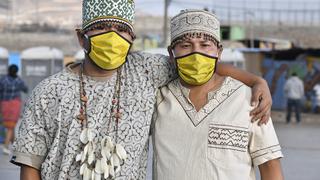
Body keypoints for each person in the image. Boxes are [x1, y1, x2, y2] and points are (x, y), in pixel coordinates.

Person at [11, 1, 272, 179]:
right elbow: (30, 164)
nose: (112, 37)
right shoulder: (48, 91)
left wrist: (255, 80)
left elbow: (198, 59)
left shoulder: (146, 71)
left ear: (131, 41)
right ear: (82, 38)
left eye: (121, 30)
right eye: (101, 28)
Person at [152, 9, 284, 180]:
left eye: (205, 45)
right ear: (171, 53)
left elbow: (270, 166)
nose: (196, 54)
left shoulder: (250, 99)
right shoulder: (158, 98)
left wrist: (257, 82)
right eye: (185, 45)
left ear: (219, 52)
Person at [0, 64, 28, 155]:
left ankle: (15, 146)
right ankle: (6, 146)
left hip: (4, 104)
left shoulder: (3, 80)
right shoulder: (18, 80)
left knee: (9, 126)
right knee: (11, 126)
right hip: (15, 104)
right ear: (16, 71)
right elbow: (26, 89)